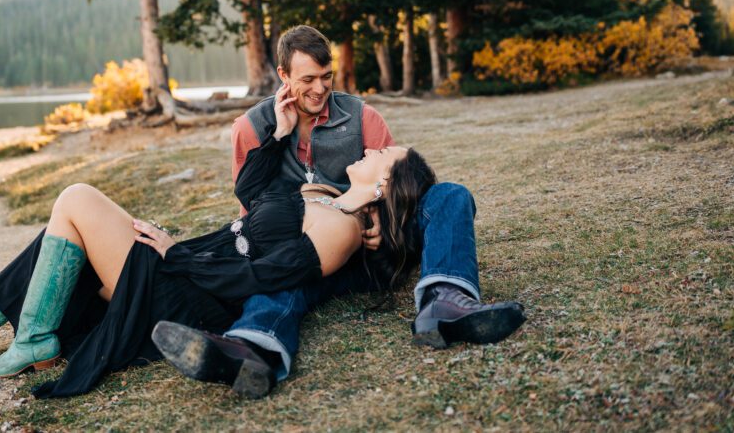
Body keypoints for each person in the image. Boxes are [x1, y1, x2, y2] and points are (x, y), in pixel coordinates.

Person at [151, 25, 526, 398]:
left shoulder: (363, 118)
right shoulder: (251, 127)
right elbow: (253, 209)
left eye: (326, 77)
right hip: (309, 244)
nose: (319, 88)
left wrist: (377, 216)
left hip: (372, 249)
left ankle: (446, 299)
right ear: (283, 76)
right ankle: (252, 348)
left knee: (450, 195)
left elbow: (397, 180)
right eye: (308, 79)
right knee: (286, 270)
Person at [0, 140, 422, 397]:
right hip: (189, 267)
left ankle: (26, 339)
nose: (374, 146)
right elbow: (251, 195)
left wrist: (174, 253)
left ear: (386, 185)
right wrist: (279, 134)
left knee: (76, 198)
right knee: (63, 232)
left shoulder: (344, 229)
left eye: (386, 154)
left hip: (194, 296)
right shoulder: (324, 195)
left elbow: (263, 280)